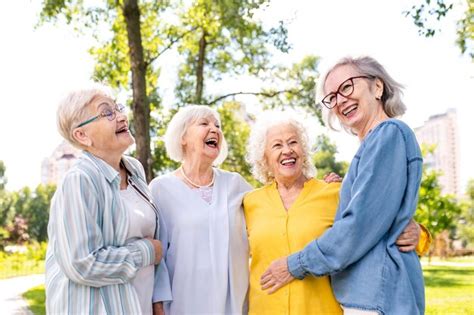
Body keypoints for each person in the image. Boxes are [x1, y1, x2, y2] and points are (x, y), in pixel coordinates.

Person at [260, 56, 426, 314]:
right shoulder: (370, 146)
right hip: (363, 299)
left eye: (347, 86)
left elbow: (359, 225)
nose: (340, 100)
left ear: (378, 87)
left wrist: (294, 265)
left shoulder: (388, 134)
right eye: (332, 97)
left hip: (377, 299)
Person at [45, 87, 171, 314]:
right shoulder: (79, 181)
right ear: (82, 135)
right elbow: (82, 264)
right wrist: (146, 252)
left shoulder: (134, 169)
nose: (122, 116)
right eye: (107, 113)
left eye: (118, 108)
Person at [149, 105, 252, 314]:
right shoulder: (160, 189)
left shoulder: (235, 184)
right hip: (182, 304)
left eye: (218, 125)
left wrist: (317, 186)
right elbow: (156, 256)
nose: (215, 129)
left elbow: (274, 207)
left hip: (232, 306)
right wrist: (157, 304)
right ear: (183, 137)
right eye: (204, 123)